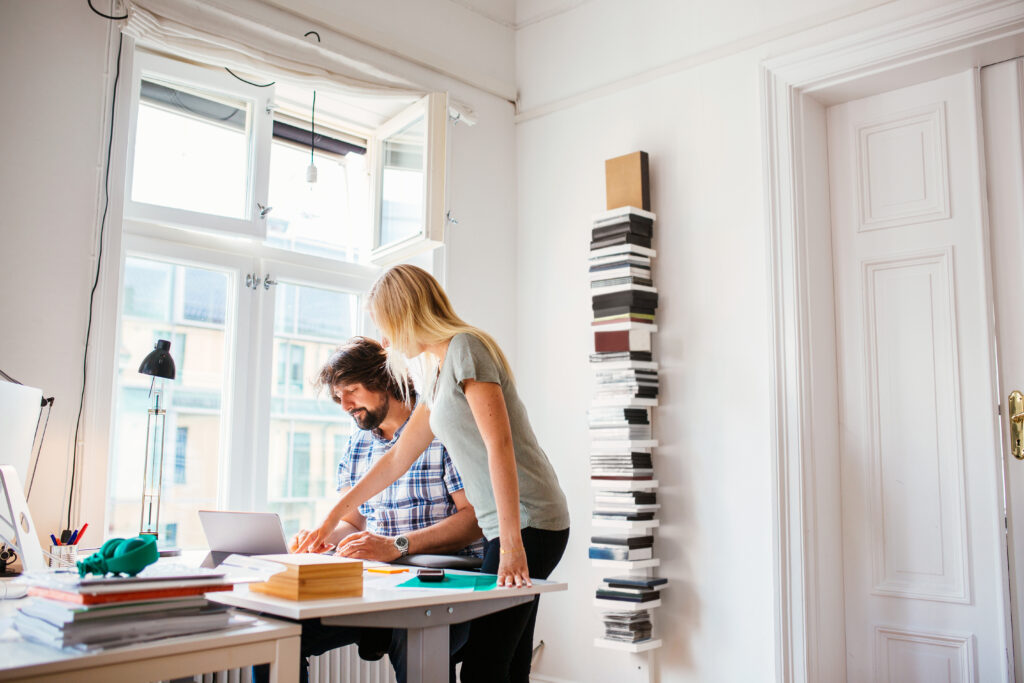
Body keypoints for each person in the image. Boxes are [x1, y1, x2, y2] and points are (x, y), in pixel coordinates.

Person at [297, 264, 571, 683]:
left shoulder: (467, 348)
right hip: (512, 524)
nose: (385, 340)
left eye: (385, 325)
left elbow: (500, 445)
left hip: (529, 521)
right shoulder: (439, 374)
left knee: (485, 666)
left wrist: (512, 541)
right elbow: (393, 461)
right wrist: (328, 521)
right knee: (507, 663)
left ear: (406, 313)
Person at [256, 336, 484, 683]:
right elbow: (351, 521)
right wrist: (321, 539)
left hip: (439, 580)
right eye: (338, 397)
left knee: (413, 640)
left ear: (383, 381)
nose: (345, 404)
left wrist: (396, 545)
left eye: (352, 391)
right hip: (378, 582)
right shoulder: (358, 440)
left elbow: (473, 521)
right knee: (274, 634)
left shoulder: (440, 426)